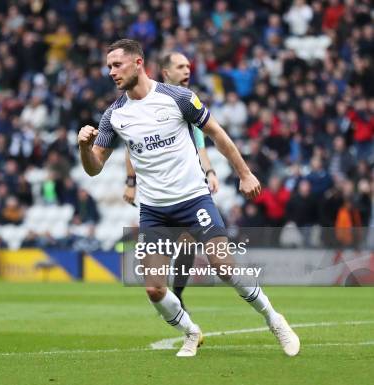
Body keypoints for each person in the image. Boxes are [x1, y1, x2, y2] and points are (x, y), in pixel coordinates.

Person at [78, 39, 299, 357]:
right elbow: (94, 168)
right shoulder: (114, 116)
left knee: (223, 266)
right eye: (109, 66)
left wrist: (245, 173)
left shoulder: (177, 98)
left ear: (138, 63)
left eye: (117, 65)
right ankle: (191, 331)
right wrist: (85, 147)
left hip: (193, 200)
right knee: (154, 289)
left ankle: (274, 319)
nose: (110, 72)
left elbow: (217, 134)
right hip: (154, 210)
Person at [123, 51, 219, 310]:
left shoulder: (188, 101)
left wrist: (209, 172)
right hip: (158, 192)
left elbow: (200, 145)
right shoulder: (149, 101)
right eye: (181, 67)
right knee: (175, 248)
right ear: (166, 72)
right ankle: (172, 294)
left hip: (187, 188)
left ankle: (177, 292)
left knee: (188, 243)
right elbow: (132, 146)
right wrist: (130, 182)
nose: (188, 70)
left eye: (189, 66)